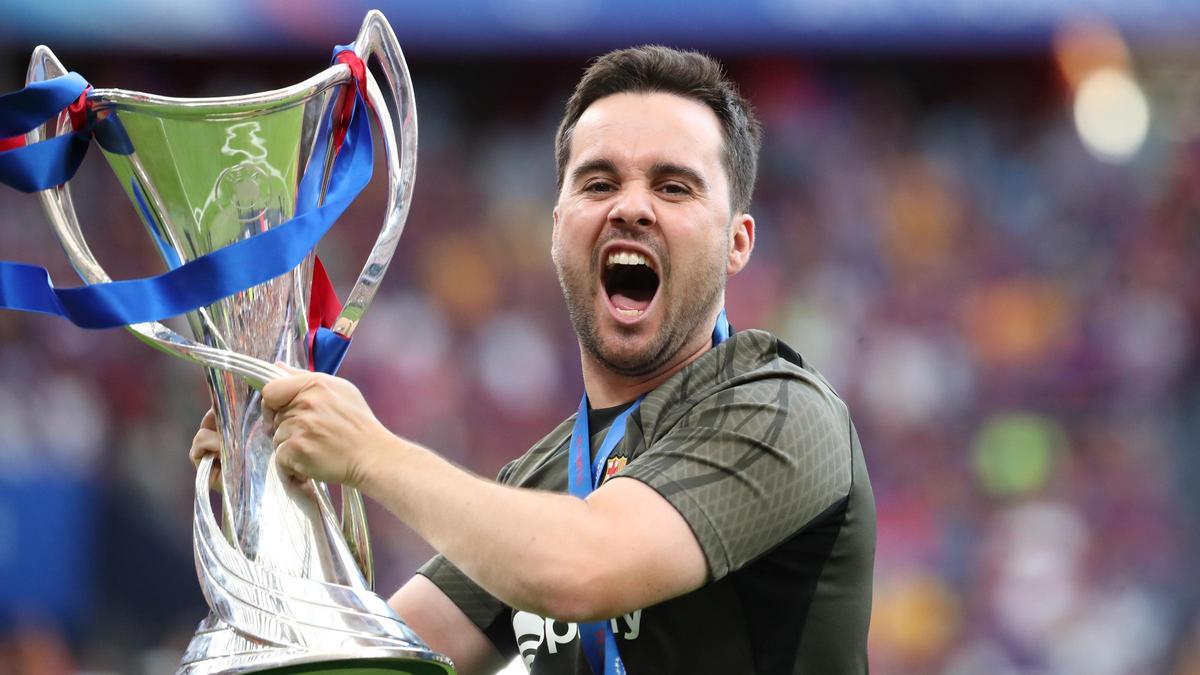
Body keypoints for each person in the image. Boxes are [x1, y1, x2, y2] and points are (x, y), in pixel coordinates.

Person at [191, 45, 875, 674]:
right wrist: (274, 504)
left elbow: (581, 566)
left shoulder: (784, 412)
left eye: (673, 187)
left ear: (737, 242)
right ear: (557, 229)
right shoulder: (543, 485)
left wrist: (367, 452)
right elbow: (380, 657)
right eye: (599, 183)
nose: (631, 207)